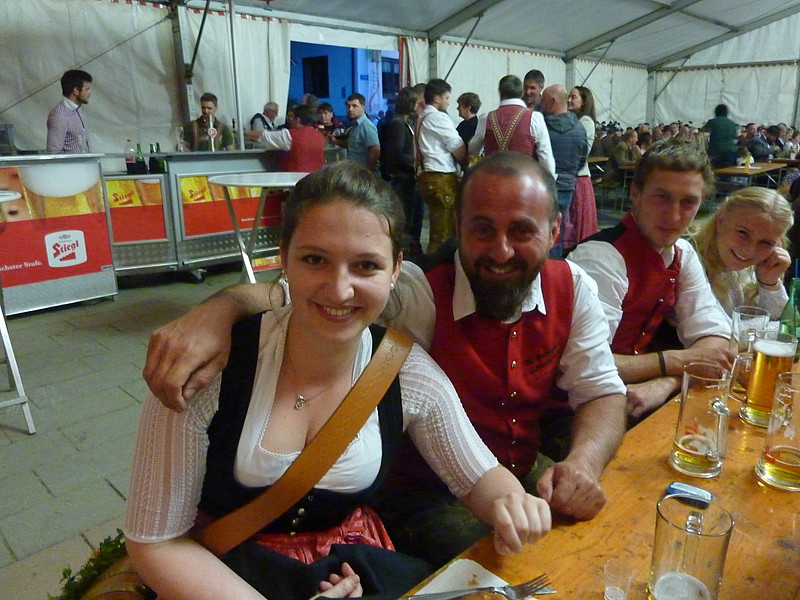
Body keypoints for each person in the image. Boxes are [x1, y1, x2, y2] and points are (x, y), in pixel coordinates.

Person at [142, 152, 627, 568]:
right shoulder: (209, 368)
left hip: (347, 566)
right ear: (283, 256)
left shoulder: (407, 368)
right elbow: (156, 541)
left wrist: (516, 504)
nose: (340, 289)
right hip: (227, 569)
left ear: (394, 269)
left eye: (366, 265)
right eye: (314, 259)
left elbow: (481, 472)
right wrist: (219, 308)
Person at [569, 139, 732, 421]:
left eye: (688, 202)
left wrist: (666, 382)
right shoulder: (600, 258)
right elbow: (585, 365)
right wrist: (675, 361)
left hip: (637, 397)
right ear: (635, 193)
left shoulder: (682, 252)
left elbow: (717, 339)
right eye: (662, 197)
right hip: (576, 409)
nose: (674, 215)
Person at [689, 187, 792, 318]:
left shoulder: (756, 269)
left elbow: (783, 323)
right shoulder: (687, 259)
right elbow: (708, 323)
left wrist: (769, 283)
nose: (749, 250)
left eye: (766, 243)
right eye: (743, 233)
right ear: (720, 221)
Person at [468, 75, 555, 178]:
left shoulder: (486, 118)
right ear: (521, 92)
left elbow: (473, 150)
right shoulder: (535, 118)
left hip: (492, 180)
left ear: (500, 93)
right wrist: (550, 180)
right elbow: (545, 157)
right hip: (525, 181)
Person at [415, 78, 466, 253]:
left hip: (427, 175)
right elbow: (456, 145)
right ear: (437, 98)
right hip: (441, 176)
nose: (448, 102)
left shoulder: (422, 117)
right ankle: (436, 266)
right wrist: (466, 163)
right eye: (446, 97)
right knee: (444, 232)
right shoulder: (437, 117)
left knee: (438, 227)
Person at [539, 84, 589, 258]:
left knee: (541, 230)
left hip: (545, 186)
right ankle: (556, 265)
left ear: (553, 101)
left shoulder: (542, 127)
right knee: (558, 230)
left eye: (543, 100)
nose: (540, 103)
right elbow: (583, 158)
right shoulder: (580, 128)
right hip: (568, 186)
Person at [381, 86, 423, 256]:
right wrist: (416, 161)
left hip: (409, 177)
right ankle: (407, 253)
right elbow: (396, 153)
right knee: (407, 218)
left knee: (414, 216)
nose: (419, 105)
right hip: (403, 179)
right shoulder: (398, 124)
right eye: (417, 102)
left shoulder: (406, 122)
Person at [564, 85, 599, 252]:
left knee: (576, 221)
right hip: (574, 176)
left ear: (584, 101)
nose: (569, 100)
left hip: (579, 177)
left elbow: (577, 151)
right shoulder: (575, 120)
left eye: (573, 97)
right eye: (569, 96)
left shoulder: (585, 122)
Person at [244, 105, 325, 172]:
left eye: (293, 118)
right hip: (315, 179)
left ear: (298, 120)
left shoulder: (290, 135)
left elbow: (264, 136)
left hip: (294, 180)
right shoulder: (319, 135)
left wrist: (244, 132)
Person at [46, 69, 92, 154]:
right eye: (87, 89)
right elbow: (54, 152)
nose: (90, 93)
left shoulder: (79, 109)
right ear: (76, 91)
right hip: (72, 163)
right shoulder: (59, 115)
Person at [332, 94, 380, 173]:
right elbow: (354, 145)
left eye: (354, 106)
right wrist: (335, 141)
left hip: (363, 173)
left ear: (363, 108)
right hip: (355, 171)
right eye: (348, 106)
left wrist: (367, 171)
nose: (350, 109)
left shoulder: (366, 125)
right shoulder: (355, 125)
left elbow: (375, 149)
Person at [702, 104, 738, 168]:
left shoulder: (712, 122)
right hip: (731, 151)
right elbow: (735, 140)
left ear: (716, 112)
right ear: (726, 113)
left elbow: (705, 136)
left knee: (715, 171)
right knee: (729, 171)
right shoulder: (732, 123)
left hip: (715, 151)